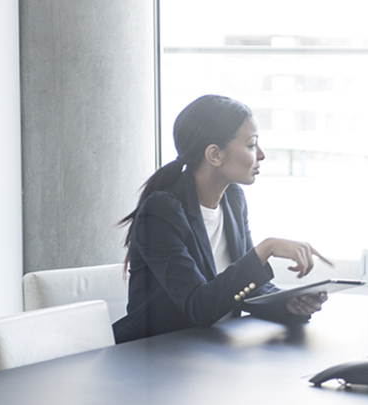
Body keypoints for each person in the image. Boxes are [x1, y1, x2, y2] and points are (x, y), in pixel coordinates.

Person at [112, 95, 328, 343]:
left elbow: (243, 289)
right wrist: (265, 249)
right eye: (251, 145)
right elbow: (199, 306)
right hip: (157, 358)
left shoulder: (233, 199)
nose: (261, 154)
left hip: (213, 350)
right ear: (215, 154)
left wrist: (290, 304)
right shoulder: (161, 211)